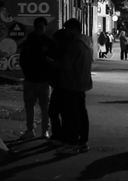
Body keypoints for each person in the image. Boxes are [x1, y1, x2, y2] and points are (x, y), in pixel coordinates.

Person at [50, 18, 93, 155]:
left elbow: (66, 65)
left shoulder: (75, 45)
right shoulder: (87, 42)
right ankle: (82, 142)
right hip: (82, 83)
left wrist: (50, 62)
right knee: (81, 114)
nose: (66, 32)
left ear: (73, 29)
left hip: (72, 84)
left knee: (72, 115)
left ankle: (73, 143)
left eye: (68, 29)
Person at [19, 17, 57, 139]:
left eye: (41, 27)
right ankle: (30, 129)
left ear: (45, 27)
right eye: (36, 27)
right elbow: (23, 59)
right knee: (30, 106)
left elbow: (53, 61)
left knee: (44, 107)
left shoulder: (49, 43)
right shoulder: (29, 41)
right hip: (31, 79)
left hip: (43, 80)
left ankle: (45, 130)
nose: (38, 29)